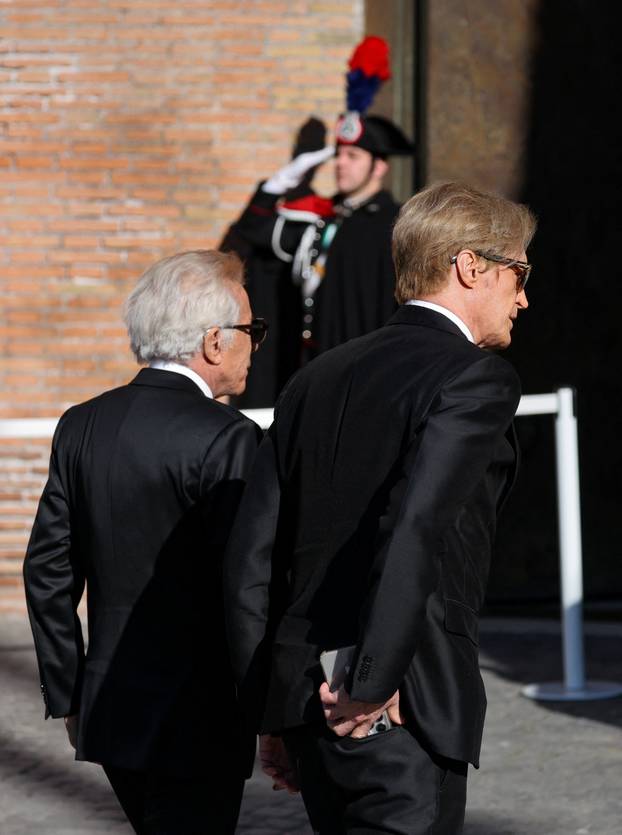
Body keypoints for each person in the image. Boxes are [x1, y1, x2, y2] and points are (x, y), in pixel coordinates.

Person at [224, 182, 536, 834]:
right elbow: (415, 525)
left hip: (310, 705)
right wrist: (371, 680)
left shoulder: (316, 377)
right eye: (519, 271)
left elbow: (255, 555)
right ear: (470, 265)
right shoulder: (473, 376)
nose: (524, 296)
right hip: (396, 706)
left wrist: (277, 712)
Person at [23, 250, 266, 834]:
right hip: (201, 713)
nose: (255, 344)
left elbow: (47, 571)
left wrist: (70, 692)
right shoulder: (230, 436)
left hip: (110, 706)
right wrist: (273, 707)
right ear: (214, 341)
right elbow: (248, 585)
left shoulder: (82, 423)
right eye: (251, 330)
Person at [222, 36, 414, 407]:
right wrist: (279, 184)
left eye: (354, 156)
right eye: (339, 155)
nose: (341, 164)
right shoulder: (320, 217)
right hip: (303, 371)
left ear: (380, 167)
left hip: (359, 382)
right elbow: (251, 233)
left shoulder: (395, 225)